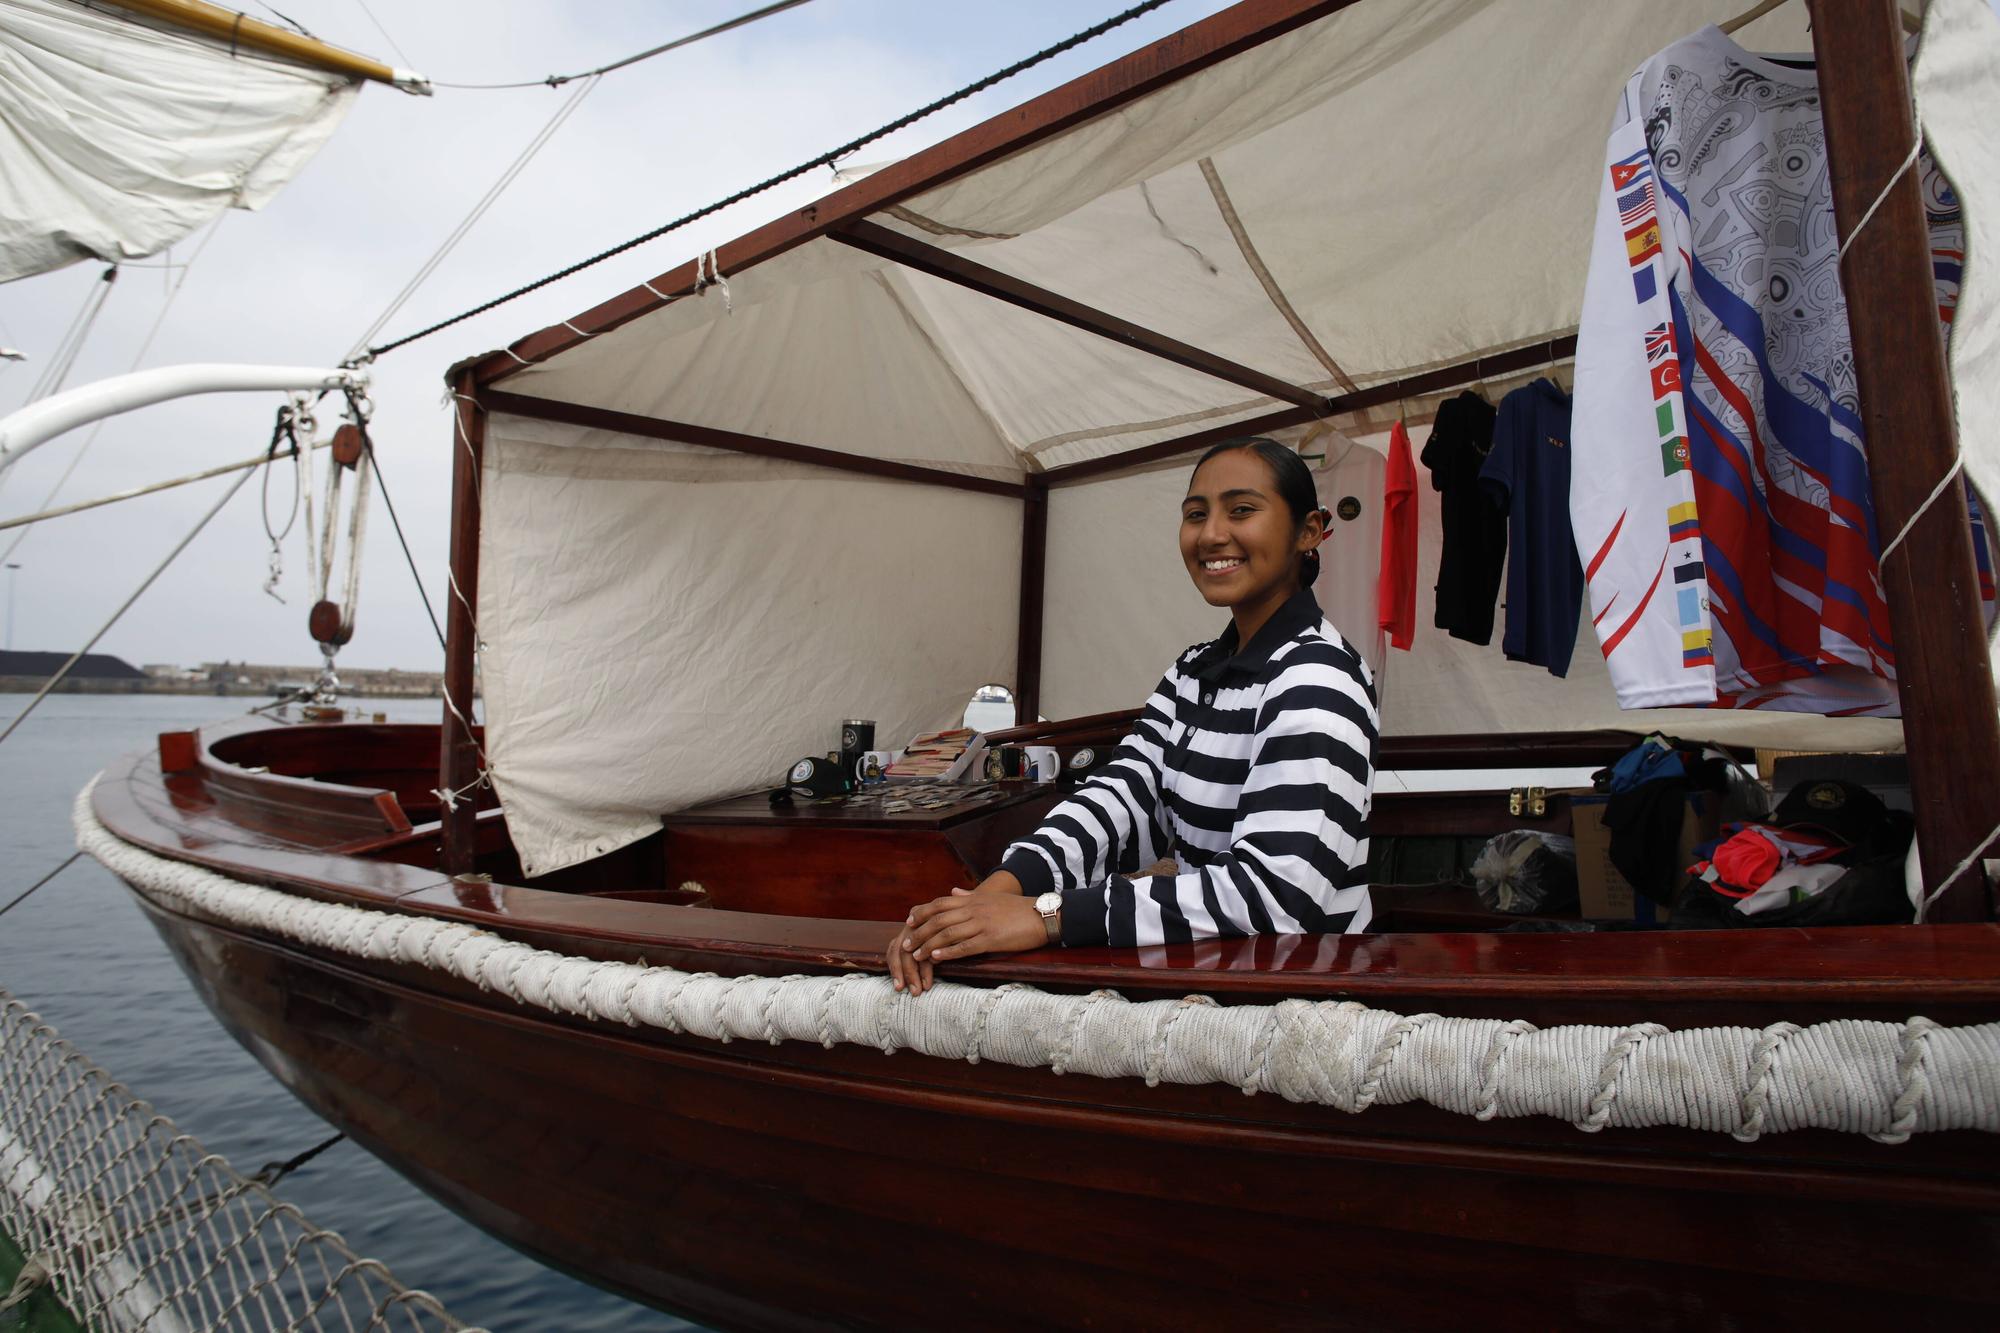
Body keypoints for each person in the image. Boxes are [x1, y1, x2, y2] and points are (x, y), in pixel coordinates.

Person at [888, 436, 1378, 996]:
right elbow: (1123, 799)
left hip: (1299, 996)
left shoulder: (1319, 677)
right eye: (1196, 515)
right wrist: (995, 894)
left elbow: (1274, 898)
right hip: (1213, 973)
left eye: (1242, 510)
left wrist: (1047, 916)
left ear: (1309, 531)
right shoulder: (1195, 671)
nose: (1213, 533)